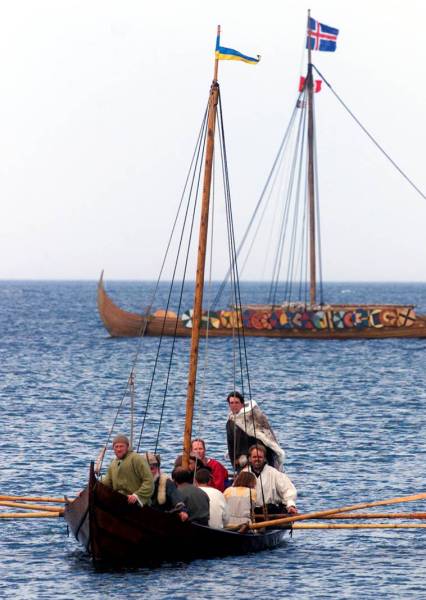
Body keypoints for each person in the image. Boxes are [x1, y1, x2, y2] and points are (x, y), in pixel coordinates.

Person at [226, 391, 285, 471]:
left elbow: (263, 439)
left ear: (242, 404)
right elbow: (231, 446)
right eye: (231, 403)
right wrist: (235, 463)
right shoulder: (230, 422)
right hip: (241, 463)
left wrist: (250, 458)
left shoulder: (253, 417)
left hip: (259, 462)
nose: (234, 405)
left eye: (237, 402)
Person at [101, 434, 154, 506]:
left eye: (121, 446)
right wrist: (88, 490)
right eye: (116, 447)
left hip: (137, 504)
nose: (119, 449)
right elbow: (106, 482)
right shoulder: (113, 463)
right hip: (120, 500)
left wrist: (137, 496)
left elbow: (149, 481)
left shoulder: (136, 459)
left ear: (127, 447)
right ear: (113, 448)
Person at [245, 444, 297, 515]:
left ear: (264, 459)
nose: (257, 459)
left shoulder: (274, 473)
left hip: (271, 513)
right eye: (254, 457)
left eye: (260, 457)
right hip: (251, 513)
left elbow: (288, 490)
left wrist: (290, 505)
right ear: (250, 459)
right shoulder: (244, 474)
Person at [145, 452, 188, 522]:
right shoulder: (137, 481)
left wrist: (182, 510)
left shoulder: (166, 482)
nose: (148, 472)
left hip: (162, 519)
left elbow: (175, 496)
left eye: (152, 469)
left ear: (157, 469)